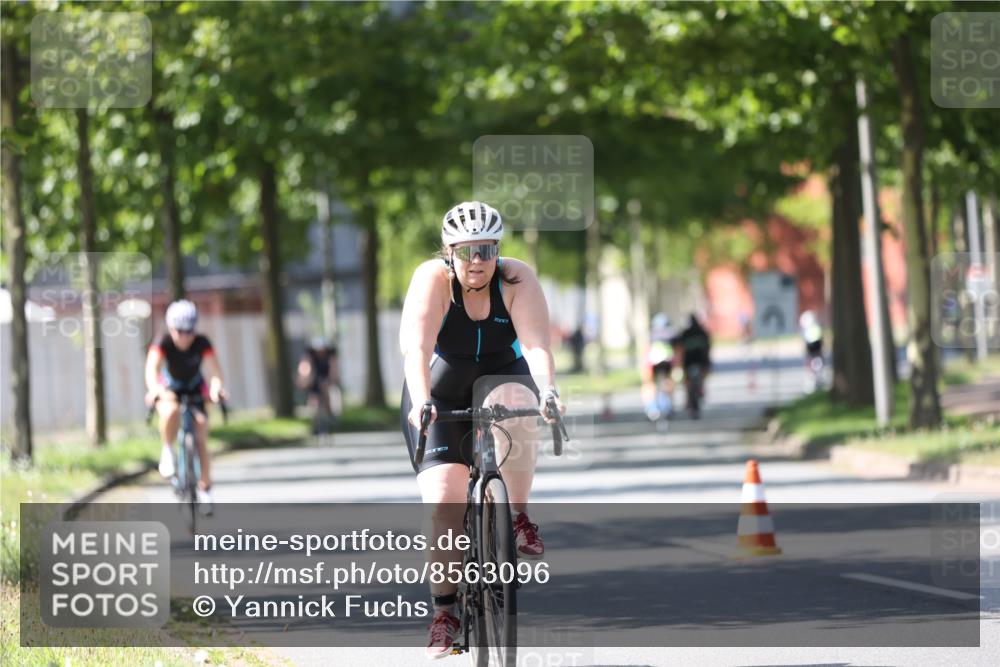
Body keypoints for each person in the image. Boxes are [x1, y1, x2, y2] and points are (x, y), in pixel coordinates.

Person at [398, 200, 564, 658]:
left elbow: (535, 344)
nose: (478, 261)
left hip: (501, 376)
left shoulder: (516, 278)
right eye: (468, 250)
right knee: (445, 498)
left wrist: (548, 390)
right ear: (449, 251)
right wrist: (423, 400)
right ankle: (445, 612)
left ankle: (518, 516)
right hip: (440, 387)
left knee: (520, 403)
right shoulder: (432, 279)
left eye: (488, 249)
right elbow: (417, 347)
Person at [144, 299, 227, 514]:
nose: (184, 337)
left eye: (189, 331)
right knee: (170, 410)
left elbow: (216, 372)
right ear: (171, 328)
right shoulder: (163, 341)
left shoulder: (202, 342)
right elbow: (152, 368)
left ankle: (205, 488)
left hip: (194, 387)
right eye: (179, 331)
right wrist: (154, 389)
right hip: (170, 386)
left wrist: (216, 389)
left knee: (201, 434)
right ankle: (168, 450)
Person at [671, 312, 712, 416]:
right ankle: (694, 397)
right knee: (691, 382)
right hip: (694, 362)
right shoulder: (701, 332)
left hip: (693, 362)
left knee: (691, 383)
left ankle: (695, 395)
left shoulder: (687, 333)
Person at [297, 336, 340, 434]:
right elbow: (304, 368)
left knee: (326, 390)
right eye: (318, 350)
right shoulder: (309, 356)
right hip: (313, 379)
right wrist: (304, 380)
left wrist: (332, 380)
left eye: (323, 350)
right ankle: (315, 421)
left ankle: (330, 414)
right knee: (314, 399)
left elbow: (333, 370)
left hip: (325, 378)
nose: (321, 352)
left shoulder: (330, 356)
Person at [643, 312, 676, 421]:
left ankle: (651, 408)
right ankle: (669, 406)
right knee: (668, 381)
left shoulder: (651, 334)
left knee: (649, 383)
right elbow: (677, 350)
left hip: (653, 361)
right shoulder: (671, 333)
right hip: (667, 361)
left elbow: (646, 350)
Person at [799, 310, 824, 391]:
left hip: (814, 348)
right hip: (814, 349)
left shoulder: (813, 327)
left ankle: (815, 381)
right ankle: (814, 381)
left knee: (814, 365)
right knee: (814, 366)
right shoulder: (814, 327)